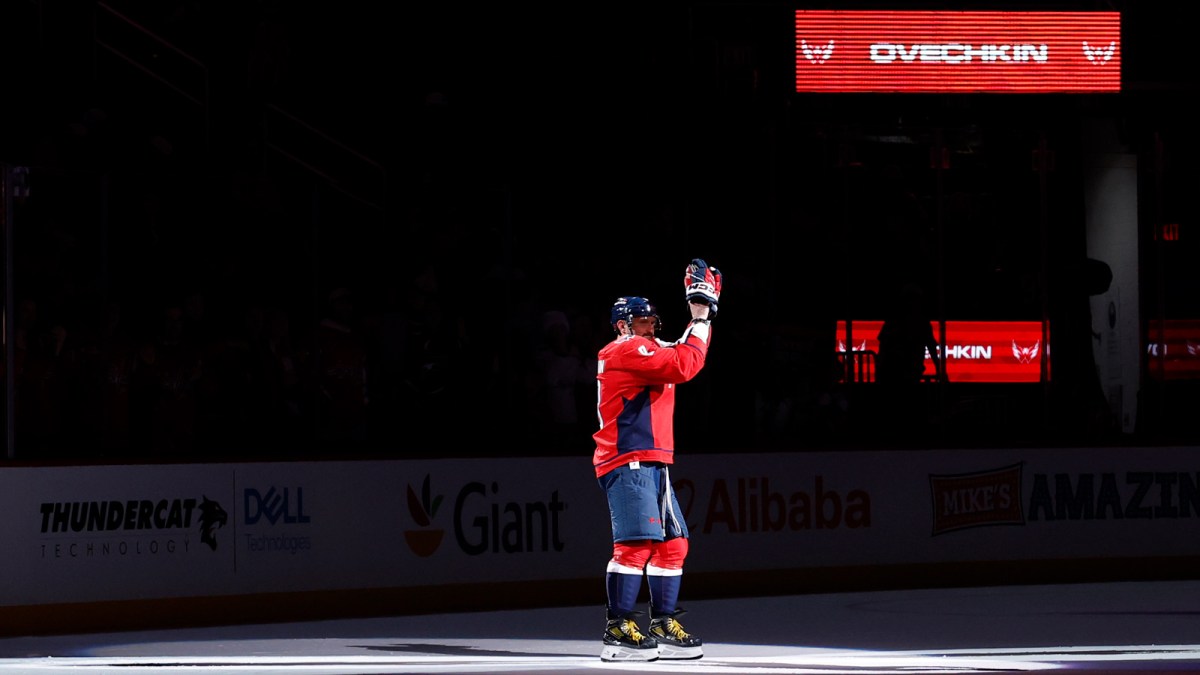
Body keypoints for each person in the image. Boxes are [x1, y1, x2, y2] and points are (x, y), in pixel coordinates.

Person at [592, 258, 722, 662]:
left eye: (652, 320)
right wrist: (701, 315)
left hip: (651, 459)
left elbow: (685, 351)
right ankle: (618, 630)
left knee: (673, 544)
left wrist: (702, 313)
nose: (650, 325)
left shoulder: (645, 346)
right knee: (635, 544)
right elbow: (685, 363)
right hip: (628, 456)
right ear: (623, 324)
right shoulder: (625, 349)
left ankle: (663, 622)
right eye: (641, 320)